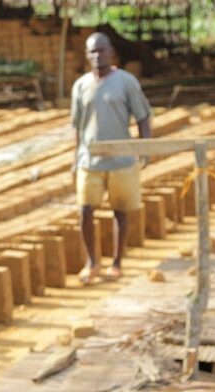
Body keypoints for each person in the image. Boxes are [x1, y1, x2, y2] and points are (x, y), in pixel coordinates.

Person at [70, 32, 152, 284]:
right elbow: (78, 126)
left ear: (111, 52)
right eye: (92, 51)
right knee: (85, 211)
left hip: (121, 160)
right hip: (90, 160)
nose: (97, 55)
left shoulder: (126, 82)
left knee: (120, 211)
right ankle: (92, 262)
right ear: (87, 55)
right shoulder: (81, 86)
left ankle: (116, 263)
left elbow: (143, 116)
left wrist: (144, 148)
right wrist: (76, 156)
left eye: (102, 50)